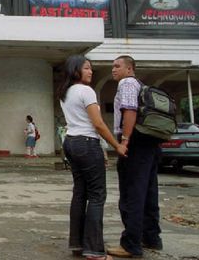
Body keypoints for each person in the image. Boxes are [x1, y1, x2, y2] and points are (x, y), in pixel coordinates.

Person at [58, 55, 127, 260]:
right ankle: (95, 251)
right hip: (87, 143)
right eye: (87, 68)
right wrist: (117, 146)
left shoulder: (66, 92)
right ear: (76, 70)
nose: (91, 71)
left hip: (71, 142)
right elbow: (97, 124)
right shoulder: (86, 91)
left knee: (80, 193)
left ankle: (78, 244)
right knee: (97, 196)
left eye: (91, 68)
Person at [108, 55, 163, 258]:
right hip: (150, 145)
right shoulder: (140, 84)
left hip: (136, 145)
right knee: (149, 193)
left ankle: (130, 244)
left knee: (133, 194)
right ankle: (151, 238)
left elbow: (129, 111)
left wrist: (125, 140)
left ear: (129, 68)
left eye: (117, 66)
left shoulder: (127, 83)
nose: (113, 69)